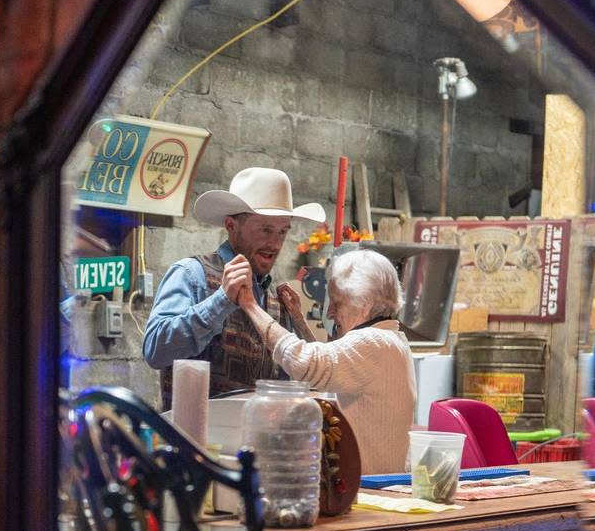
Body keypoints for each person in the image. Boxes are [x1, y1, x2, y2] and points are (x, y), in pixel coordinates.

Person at [143, 167, 325, 408]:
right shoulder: (191, 274)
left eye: (282, 231)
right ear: (231, 226)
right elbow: (155, 351)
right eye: (265, 229)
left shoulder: (275, 299)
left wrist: (298, 323)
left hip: (259, 441)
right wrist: (220, 300)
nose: (275, 243)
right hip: (196, 441)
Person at [235, 248, 416, 474]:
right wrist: (299, 321)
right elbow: (331, 366)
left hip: (369, 491)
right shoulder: (390, 339)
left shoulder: (373, 342)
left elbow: (306, 363)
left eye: (337, 303)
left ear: (364, 304)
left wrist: (250, 305)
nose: (330, 313)